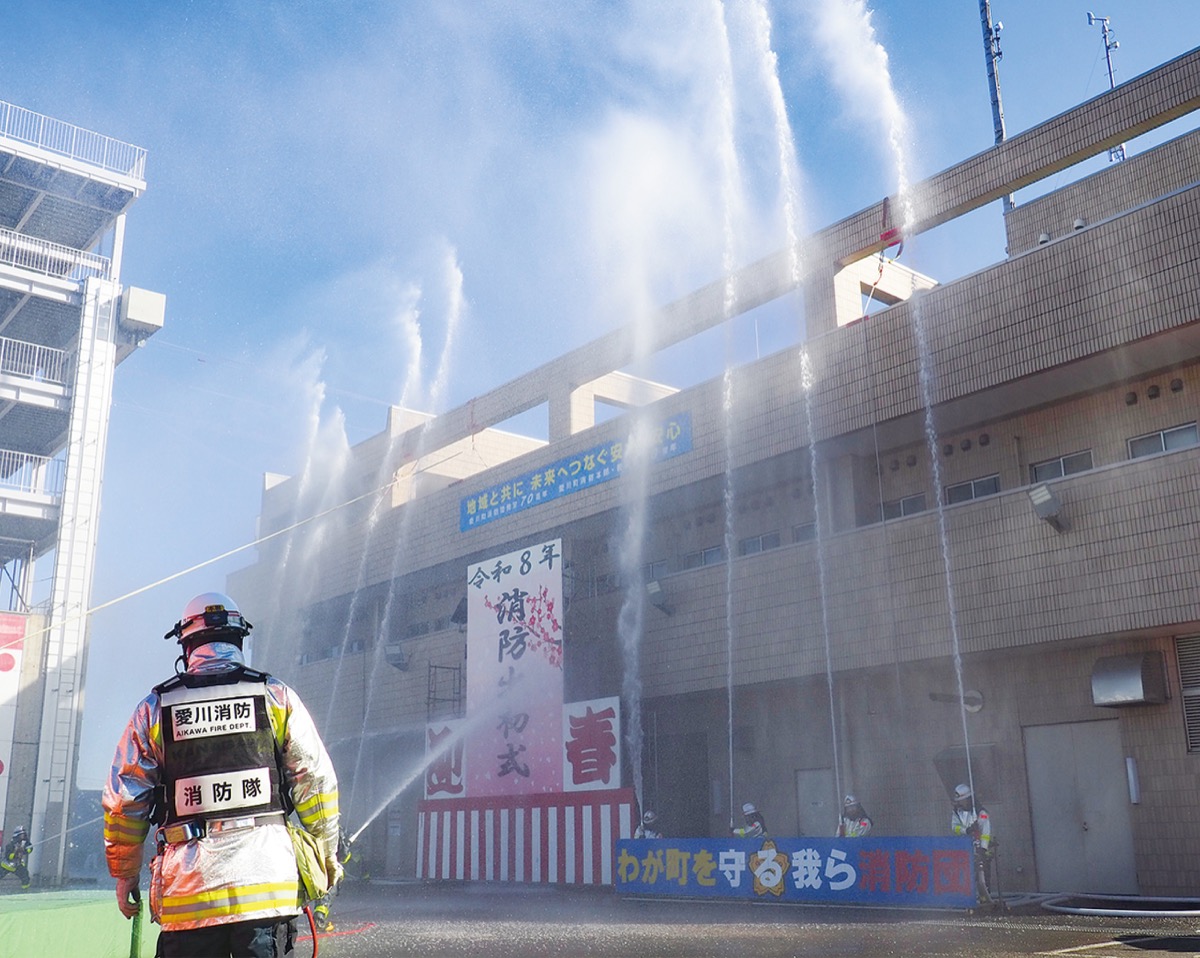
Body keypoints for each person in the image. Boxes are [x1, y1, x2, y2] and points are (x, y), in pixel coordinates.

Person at [103, 592, 342, 957]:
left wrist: (125, 873)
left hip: (190, 894)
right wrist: (325, 856)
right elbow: (315, 782)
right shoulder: (276, 696)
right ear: (239, 639)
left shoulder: (155, 709)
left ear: (185, 646)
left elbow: (124, 801)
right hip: (267, 889)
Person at [951, 783, 996, 904]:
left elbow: (985, 831)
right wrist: (966, 830)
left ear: (968, 799)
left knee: (983, 876)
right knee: (966, 875)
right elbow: (954, 827)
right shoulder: (957, 812)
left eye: (962, 800)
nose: (960, 803)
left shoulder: (981, 812)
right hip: (965, 848)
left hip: (981, 849)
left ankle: (984, 901)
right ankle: (968, 900)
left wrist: (983, 848)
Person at [0, 824, 33, 888]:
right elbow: (8, 856)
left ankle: (25, 890)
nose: (23, 836)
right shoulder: (11, 845)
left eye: (23, 834)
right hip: (7, 865)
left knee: (25, 876)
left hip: (18, 864)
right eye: (21, 834)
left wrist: (25, 850)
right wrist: (16, 853)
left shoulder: (25, 843)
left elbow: (30, 849)